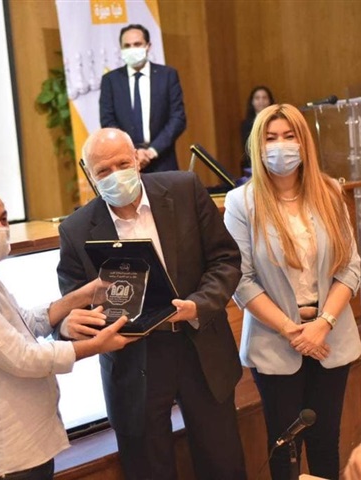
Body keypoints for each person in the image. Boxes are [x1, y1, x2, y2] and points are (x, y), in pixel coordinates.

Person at [56, 128, 246, 480]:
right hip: (133, 360)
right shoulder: (76, 229)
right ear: (90, 176)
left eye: (122, 164)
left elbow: (226, 259)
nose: (115, 175)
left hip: (199, 346)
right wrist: (68, 325)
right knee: (148, 471)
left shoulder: (184, 189)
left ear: (137, 160)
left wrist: (198, 305)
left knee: (223, 465)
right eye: (103, 171)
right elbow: (71, 307)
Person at [0, 182, 135, 480]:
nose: (0, 230)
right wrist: (96, 346)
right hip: (7, 460)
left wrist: (82, 295)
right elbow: (23, 358)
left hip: (28, 451)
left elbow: (26, 323)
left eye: (3, 219)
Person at [224, 103, 361, 480]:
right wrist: (293, 331)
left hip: (330, 335)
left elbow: (350, 267)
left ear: (304, 143)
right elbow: (241, 280)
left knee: (325, 442)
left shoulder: (330, 192)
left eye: (289, 136)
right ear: (258, 145)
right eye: (271, 138)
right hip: (275, 338)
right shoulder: (241, 202)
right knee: (285, 447)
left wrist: (323, 323)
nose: (280, 145)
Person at [99, 24, 186, 173]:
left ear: (148, 46)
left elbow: (177, 118)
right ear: (121, 49)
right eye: (127, 46)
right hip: (126, 164)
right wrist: (133, 152)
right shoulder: (111, 80)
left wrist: (152, 151)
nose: (132, 49)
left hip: (163, 160)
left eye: (137, 44)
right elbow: (108, 121)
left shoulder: (167, 75)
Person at [240, 86, 275, 169]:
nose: (261, 101)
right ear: (252, 102)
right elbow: (247, 147)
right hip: (253, 163)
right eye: (257, 98)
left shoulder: (277, 121)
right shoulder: (246, 124)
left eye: (264, 98)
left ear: (270, 101)